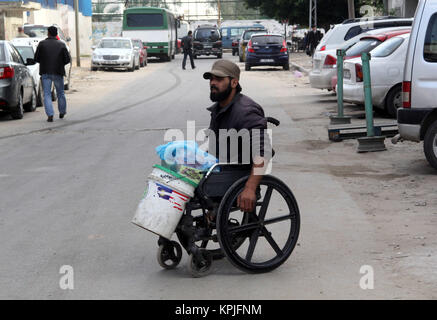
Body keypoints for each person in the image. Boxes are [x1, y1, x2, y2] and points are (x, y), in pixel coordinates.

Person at [203, 60, 271, 214]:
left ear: (234, 83)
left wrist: (250, 188)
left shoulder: (246, 111)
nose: (213, 83)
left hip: (238, 174)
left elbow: (263, 152)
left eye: (219, 80)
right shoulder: (219, 109)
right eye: (211, 79)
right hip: (221, 168)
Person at [34, 26, 71, 122]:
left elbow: (36, 58)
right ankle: (62, 112)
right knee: (60, 93)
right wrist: (59, 63)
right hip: (58, 72)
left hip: (45, 72)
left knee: (46, 94)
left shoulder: (41, 44)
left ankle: (50, 115)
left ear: (48, 33)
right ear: (57, 34)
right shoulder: (62, 44)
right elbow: (67, 60)